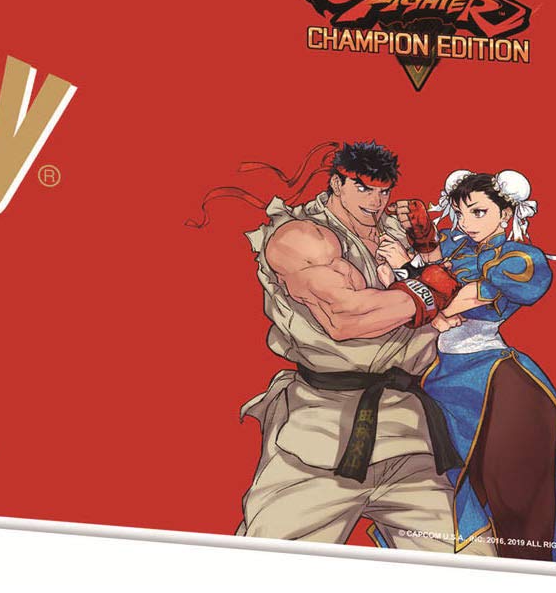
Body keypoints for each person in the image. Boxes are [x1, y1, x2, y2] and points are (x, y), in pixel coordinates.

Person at [196, 140, 492, 553]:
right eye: (363, 188)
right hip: (320, 441)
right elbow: (346, 318)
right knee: (261, 567)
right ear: (336, 183)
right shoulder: (301, 237)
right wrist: (429, 291)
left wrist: (427, 246)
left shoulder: (395, 229)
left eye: (383, 191)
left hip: (409, 440)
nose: (375, 201)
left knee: (475, 562)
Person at [402, 170, 556, 561]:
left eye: (479, 212)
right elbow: (434, 268)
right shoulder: (458, 245)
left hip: (483, 367)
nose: (466, 222)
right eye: (460, 212)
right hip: (437, 362)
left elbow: (468, 296)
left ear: (506, 214)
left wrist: (430, 305)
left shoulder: (518, 258)